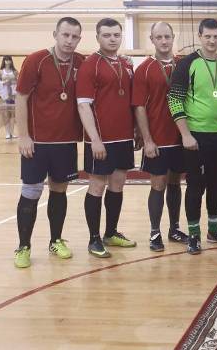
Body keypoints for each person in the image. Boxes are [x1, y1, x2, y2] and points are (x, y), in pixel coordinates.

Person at [12, 17, 85, 268]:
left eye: (74, 36)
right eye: (65, 35)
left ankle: (55, 240)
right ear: (55, 34)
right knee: (31, 192)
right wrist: (23, 135)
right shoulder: (36, 60)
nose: (69, 41)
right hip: (37, 142)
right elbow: (21, 98)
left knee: (59, 191)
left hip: (66, 142)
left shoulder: (81, 62)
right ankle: (23, 246)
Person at [169, 18, 217, 254]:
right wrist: (185, 135)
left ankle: (214, 230)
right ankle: (194, 234)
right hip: (196, 137)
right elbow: (174, 99)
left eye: (216, 36)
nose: (212, 41)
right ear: (200, 36)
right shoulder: (187, 64)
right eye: (207, 36)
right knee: (196, 186)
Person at [76, 18, 137, 258]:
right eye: (107, 35)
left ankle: (111, 233)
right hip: (100, 140)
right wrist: (95, 139)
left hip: (124, 137)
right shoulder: (90, 65)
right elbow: (83, 105)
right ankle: (94, 239)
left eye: (116, 35)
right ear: (98, 37)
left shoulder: (125, 64)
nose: (112, 39)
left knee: (118, 183)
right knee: (97, 185)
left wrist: (136, 131)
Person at [133, 21, 191, 252]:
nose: (164, 41)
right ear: (152, 40)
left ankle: (174, 229)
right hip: (157, 138)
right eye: (159, 37)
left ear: (173, 37)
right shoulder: (144, 69)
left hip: (180, 137)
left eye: (167, 36)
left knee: (176, 182)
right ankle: (155, 232)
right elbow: (139, 107)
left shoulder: (183, 65)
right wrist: (147, 139)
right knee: (158, 183)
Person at [0, 55, 18, 139]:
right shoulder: (0, 72)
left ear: (11, 61)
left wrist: (14, 83)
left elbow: (19, 82)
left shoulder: (15, 72)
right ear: (3, 61)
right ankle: (7, 133)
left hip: (13, 96)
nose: (8, 62)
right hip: (4, 96)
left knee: (13, 115)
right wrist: (3, 83)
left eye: (9, 60)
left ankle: (12, 132)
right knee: (5, 114)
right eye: (6, 60)